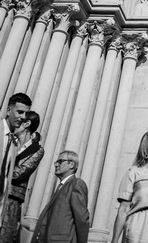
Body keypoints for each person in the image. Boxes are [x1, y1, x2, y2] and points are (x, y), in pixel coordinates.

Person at [0, 110, 44, 243]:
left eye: (19, 122)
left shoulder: (37, 150)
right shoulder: (9, 141)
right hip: (1, 192)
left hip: (12, 200)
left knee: (4, 236)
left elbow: (19, 173)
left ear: (27, 124)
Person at [31, 151, 89, 243]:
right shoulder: (61, 186)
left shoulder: (76, 184)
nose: (56, 165)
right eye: (56, 162)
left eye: (60, 161)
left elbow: (82, 219)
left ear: (72, 164)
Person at [1, 93, 31, 228]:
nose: (23, 117)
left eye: (26, 114)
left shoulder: (14, 142)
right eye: (20, 112)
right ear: (8, 110)